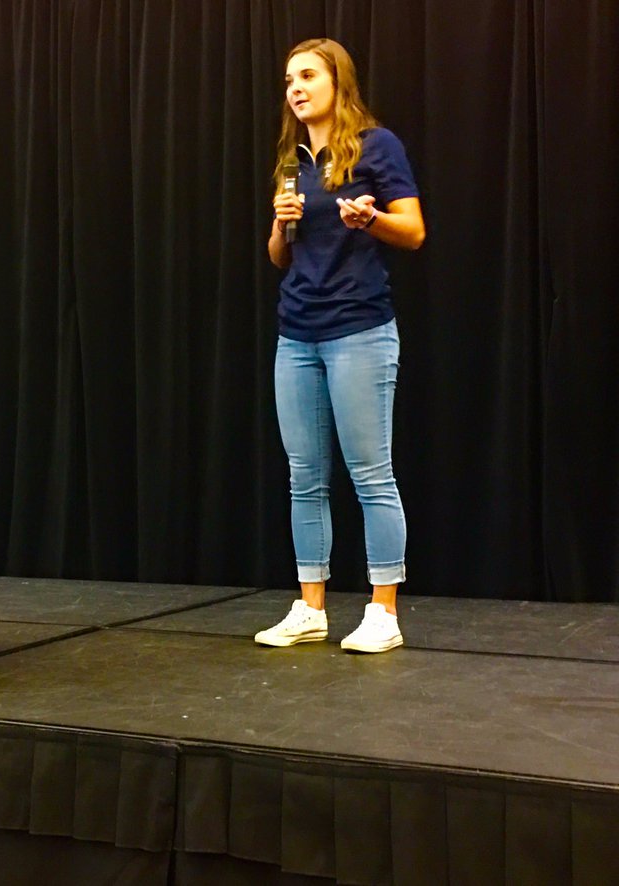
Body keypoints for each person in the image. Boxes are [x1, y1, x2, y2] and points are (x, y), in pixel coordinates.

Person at [254, 38, 425, 654]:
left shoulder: (377, 146)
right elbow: (280, 257)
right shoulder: (293, 161)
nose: (295, 88)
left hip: (359, 330)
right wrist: (281, 224)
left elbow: (414, 231)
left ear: (337, 82)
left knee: (371, 474)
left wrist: (369, 219)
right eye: (288, 80)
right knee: (304, 476)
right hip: (297, 333)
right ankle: (310, 607)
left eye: (307, 76)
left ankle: (384, 612)